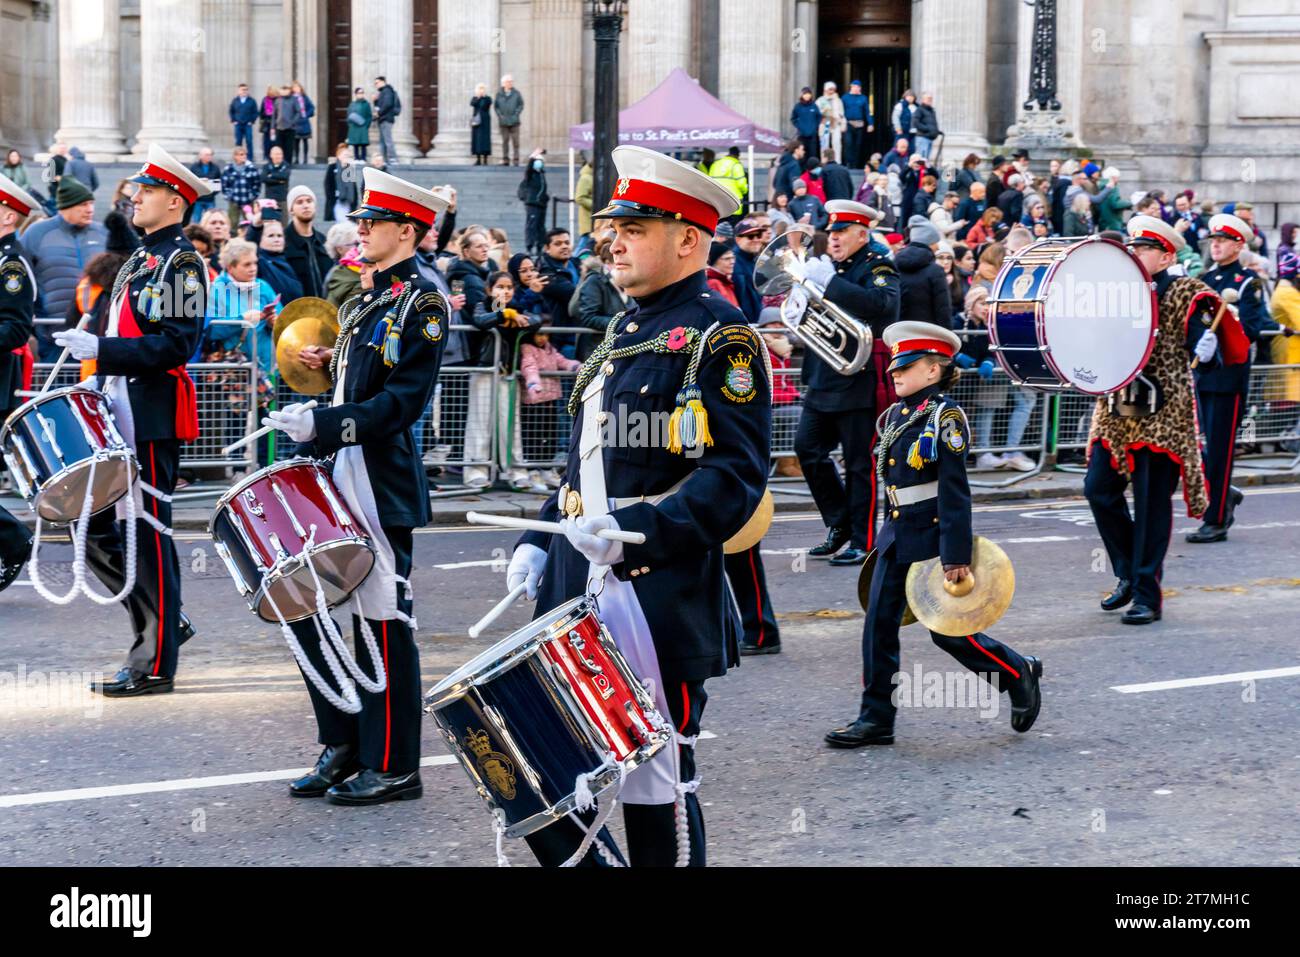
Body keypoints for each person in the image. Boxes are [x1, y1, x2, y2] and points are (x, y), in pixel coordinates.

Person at [504, 144, 769, 867]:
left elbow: (736, 477)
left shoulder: (722, 337)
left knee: (658, 790)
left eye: (636, 226)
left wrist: (637, 531)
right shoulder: (622, 331)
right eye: (611, 226)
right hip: (574, 578)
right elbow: (583, 455)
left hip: (650, 589)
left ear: (689, 238)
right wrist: (540, 534)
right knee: (528, 765)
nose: (612, 239)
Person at [262, 168, 448, 805]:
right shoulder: (366, 301)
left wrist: (323, 421)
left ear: (408, 231)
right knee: (314, 610)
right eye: (361, 222)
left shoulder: (422, 304)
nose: (361, 230)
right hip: (338, 472)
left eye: (373, 223)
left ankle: (395, 762)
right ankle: (342, 744)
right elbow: (356, 379)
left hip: (381, 478)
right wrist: (325, 365)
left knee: (382, 620)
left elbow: (400, 402)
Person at [825, 321, 1043, 747]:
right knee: (878, 628)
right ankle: (876, 719)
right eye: (895, 368)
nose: (895, 374)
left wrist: (955, 556)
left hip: (932, 535)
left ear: (933, 370)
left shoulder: (945, 417)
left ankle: (1017, 673)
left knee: (947, 633)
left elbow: (955, 492)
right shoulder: (895, 416)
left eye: (906, 367)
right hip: (896, 533)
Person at [51, 144, 211, 696]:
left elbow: (175, 345)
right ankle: (159, 630)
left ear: (174, 201)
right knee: (89, 524)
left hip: (151, 412)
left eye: (146, 190)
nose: (134, 197)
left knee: (148, 533)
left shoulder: (180, 263)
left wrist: (103, 349)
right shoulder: (142, 261)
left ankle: (155, 660)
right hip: (118, 405)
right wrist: (94, 371)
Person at [1084, 215, 1232, 625]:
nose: (1134, 254)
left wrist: (1209, 344)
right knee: (1097, 489)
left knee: (1151, 505)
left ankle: (1147, 594)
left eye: (1144, 248)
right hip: (1115, 410)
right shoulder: (1116, 292)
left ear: (1166, 255)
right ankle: (1129, 572)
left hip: (1162, 411)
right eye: (1132, 247)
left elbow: (1208, 349)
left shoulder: (1188, 292)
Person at [795, 199, 900, 566]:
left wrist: (831, 285)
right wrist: (802, 295)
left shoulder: (878, 264)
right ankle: (839, 523)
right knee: (806, 448)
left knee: (859, 464)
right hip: (824, 375)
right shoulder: (830, 266)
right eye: (832, 233)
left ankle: (863, 538)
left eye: (841, 233)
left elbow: (883, 305)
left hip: (859, 379)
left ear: (862, 234)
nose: (834, 239)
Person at [1190, 212, 1287, 543]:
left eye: (1222, 241)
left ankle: (1216, 519)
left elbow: (1251, 328)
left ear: (1238, 245)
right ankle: (1224, 493)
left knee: (1219, 450)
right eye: (1212, 241)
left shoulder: (1249, 282)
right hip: (1203, 374)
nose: (1215, 245)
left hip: (1229, 378)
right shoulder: (1205, 278)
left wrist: (1220, 334)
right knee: (1200, 448)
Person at [0, 173, 40, 592]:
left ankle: (13, 540)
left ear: (8, 215)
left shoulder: (11, 265)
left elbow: (15, 328)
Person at [21, 175, 107, 360]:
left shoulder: (103, 233)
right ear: (66, 206)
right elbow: (23, 280)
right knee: (58, 388)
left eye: (91, 203)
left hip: (98, 337)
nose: (90, 210)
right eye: (83, 205)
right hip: (55, 337)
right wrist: (40, 326)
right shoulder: (36, 233)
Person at [518, 326, 580, 479]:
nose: (543, 338)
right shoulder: (527, 348)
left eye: (546, 335)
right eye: (539, 335)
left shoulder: (550, 349)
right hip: (534, 400)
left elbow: (561, 361)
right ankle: (532, 468)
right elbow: (529, 366)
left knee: (550, 434)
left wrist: (576, 366)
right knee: (533, 435)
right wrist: (533, 383)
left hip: (550, 399)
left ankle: (546, 468)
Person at [896, 216, 951, 327]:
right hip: (927, 335)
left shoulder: (894, 265)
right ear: (929, 242)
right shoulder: (936, 271)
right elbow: (942, 309)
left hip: (898, 333)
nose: (938, 247)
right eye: (936, 242)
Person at [282, 185, 333, 300]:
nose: (305, 205)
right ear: (291, 209)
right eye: (299, 202)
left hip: (325, 309)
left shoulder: (324, 241)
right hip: (297, 310)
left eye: (309, 201)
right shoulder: (282, 242)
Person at [255, 217, 304, 304]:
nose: (276, 239)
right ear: (260, 239)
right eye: (271, 236)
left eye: (279, 236)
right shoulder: (259, 261)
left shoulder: (289, 260)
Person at [219, 145, 261, 226]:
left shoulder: (252, 168)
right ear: (235, 156)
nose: (244, 156)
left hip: (248, 201)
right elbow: (224, 185)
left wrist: (253, 196)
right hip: (234, 201)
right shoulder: (228, 169)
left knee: (250, 223)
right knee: (232, 224)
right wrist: (229, 196)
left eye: (245, 154)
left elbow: (257, 183)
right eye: (241, 154)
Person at [519, 150, 549, 255]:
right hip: (532, 204)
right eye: (537, 161)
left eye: (540, 161)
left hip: (541, 204)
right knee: (531, 226)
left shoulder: (541, 175)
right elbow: (528, 168)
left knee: (541, 227)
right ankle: (529, 247)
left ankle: (540, 246)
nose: (539, 163)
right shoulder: (530, 175)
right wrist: (533, 156)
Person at [707, 146, 749, 218]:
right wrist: (745, 191)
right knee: (732, 225)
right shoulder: (736, 165)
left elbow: (709, 182)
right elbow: (741, 184)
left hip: (717, 200)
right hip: (733, 202)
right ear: (737, 155)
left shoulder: (715, 164)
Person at [840, 79, 873, 170]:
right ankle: (848, 163)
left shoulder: (863, 98)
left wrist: (870, 123)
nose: (856, 88)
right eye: (854, 87)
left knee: (857, 145)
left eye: (858, 87)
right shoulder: (845, 97)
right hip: (848, 124)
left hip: (860, 124)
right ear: (851, 87)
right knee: (848, 144)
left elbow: (867, 112)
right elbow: (840, 111)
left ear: (860, 88)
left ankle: (855, 165)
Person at [323, 143, 359, 223]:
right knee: (342, 224)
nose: (347, 157)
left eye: (348, 156)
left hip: (349, 202)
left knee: (350, 225)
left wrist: (355, 202)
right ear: (339, 156)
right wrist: (331, 198)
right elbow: (327, 185)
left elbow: (353, 187)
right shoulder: (332, 167)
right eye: (345, 155)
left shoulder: (350, 169)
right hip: (337, 200)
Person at [494, 74, 524, 166]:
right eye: (508, 81)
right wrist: (500, 115)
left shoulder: (517, 93)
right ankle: (505, 159)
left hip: (514, 122)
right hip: (504, 122)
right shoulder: (499, 94)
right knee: (505, 141)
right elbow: (496, 107)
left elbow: (521, 104)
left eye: (511, 81)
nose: (510, 83)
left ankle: (516, 160)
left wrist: (516, 114)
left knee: (516, 142)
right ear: (503, 83)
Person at [373, 76, 402, 167]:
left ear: (383, 82)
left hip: (386, 119)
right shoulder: (383, 92)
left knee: (387, 140)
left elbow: (387, 104)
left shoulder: (387, 91)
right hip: (383, 119)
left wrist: (379, 113)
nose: (376, 85)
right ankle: (384, 159)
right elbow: (380, 105)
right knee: (383, 141)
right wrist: (375, 101)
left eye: (377, 83)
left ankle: (392, 158)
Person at [188, 147, 221, 222]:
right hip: (198, 199)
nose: (209, 156)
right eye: (207, 155)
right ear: (201, 156)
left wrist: (212, 193)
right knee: (196, 220)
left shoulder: (215, 167)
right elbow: (191, 181)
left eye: (210, 155)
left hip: (210, 199)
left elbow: (218, 182)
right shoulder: (194, 167)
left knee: (210, 219)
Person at [816, 81, 846, 163]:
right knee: (824, 144)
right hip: (825, 123)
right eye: (830, 89)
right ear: (825, 90)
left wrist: (843, 124)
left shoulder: (838, 100)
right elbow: (817, 113)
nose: (831, 91)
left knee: (837, 144)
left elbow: (842, 113)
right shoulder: (820, 100)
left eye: (833, 89)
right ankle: (824, 162)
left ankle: (837, 162)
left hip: (835, 123)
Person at [271, 85, 301, 166]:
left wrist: (293, 121)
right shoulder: (277, 100)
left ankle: (288, 163)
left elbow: (298, 112)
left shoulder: (294, 100)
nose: (284, 92)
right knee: (279, 146)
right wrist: (272, 127)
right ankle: (279, 162)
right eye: (282, 90)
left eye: (285, 90)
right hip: (279, 127)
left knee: (289, 147)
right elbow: (274, 115)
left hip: (290, 127)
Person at [790, 87, 821, 161]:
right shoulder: (798, 106)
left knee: (812, 153)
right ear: (802, 95)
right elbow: (793, 118)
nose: (807, 96)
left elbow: (818, 117)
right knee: (802, 154)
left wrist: (815, 127)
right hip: (802, 135)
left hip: (812, 135)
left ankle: (812, 170)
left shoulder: (814, 106)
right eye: (805, 94)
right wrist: (799, 126)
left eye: (808, 94)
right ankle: (802, 170)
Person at [229, 83, 259, 154]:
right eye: (242, 90)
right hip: (238, 124)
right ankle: (237, 157)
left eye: (246, 90)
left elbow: (256, 112)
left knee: (249, 141)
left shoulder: (252, 101)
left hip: (247, 124)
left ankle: (250, 158)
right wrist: (233, 120)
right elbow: (231, 111)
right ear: (239, 91)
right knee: (238, 141)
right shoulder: (235, 100)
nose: (244, 91)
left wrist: (252, 121)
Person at [344, 86, 372, 161]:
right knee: (355, 143)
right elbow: (348, 115)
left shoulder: (366, 104)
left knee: (363, 143)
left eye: (362, 93)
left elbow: (369, 116)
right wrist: (350, 124)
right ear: (356, 94)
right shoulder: (352, 104)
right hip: (354, 127)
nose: (361, 94)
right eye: (359, 93)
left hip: (363, 127)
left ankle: (363, 158)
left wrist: (366, 125)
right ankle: (356, 158)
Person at [290, 81, 315, 164]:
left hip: (304, 122)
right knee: (296, 141)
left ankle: (305, 158)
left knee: (305, 140)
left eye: (298, 87)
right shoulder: (291, 98)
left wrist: (306, 115)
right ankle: (296, 158)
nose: (296, 89)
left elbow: (311, 107)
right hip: (296, 122)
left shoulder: (304, 98)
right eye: (295, 87)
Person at [911, 92, 940, 160]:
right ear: (923, 100)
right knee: (920, 159)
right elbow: (915, 122)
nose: (930, 100)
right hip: (922, 138)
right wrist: (927, 129)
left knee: (926, 159)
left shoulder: (931, 110)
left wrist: (936, 131)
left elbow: (931, 123)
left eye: (931, 98)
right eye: (928, 98)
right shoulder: (919, 110)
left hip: (929, 138)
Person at [470, 83, 492, 165]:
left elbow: (484, 106)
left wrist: (483, 97)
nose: (481, 90)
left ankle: (485, 159)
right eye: (479, 89)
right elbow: (472, 103)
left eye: (482, 89)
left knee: (485, 140)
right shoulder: (475, 98)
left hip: (485, 121)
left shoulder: (488, 98)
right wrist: (478, 97)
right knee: (477, 139)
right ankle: (478, 159)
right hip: (477, 121)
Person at [262, 145, 290, 209]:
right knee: (269, 218)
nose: (278, 156)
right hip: (270, 200)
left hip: (282, 199)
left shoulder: (286, 165)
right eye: (276, 154)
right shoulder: (266, 166)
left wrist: (271, 175)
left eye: (280, 154)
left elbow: (284, 176)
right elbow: (264, 178)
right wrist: (279, 181)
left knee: (283, 218)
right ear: (271, 155)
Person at [259, 85, 278, 162]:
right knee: (266, 141)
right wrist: (262, 120)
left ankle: (274, 156)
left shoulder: (278, 100)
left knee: (275, 141)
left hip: (276, 123)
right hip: (267, 123)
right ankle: (266, 155)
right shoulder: (265, 100)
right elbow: (261, 112)